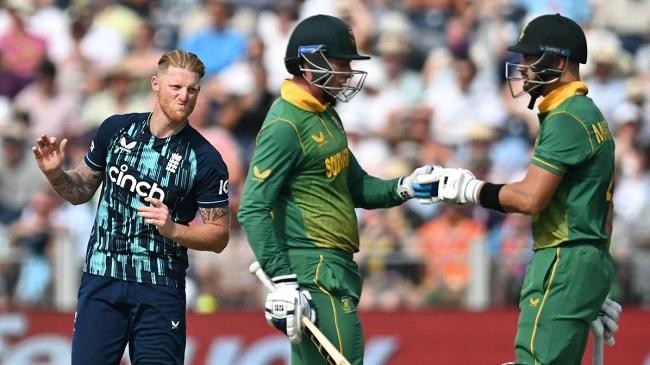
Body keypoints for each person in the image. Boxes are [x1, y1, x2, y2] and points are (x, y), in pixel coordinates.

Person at [237, 14, 438, 365]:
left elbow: (356, 186)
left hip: (335, 268)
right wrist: (283, 279)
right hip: (311, 272)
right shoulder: (285, 124)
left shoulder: (325, 114)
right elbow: (253, 207)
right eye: (341, 63)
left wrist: (406, 186)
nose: (348, 72)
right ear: (310, 62)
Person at [422, 14, 620, 364]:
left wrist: (470, 189)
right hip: (583, 259)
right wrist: (591, 280)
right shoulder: (586, 112)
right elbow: (606, 213)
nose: (523, 69)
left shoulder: (566, 117)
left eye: (531, 59)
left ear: (559, 62)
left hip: (562, 258)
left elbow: (530, 199)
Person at [31, 49, 230, 365]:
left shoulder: (205, 160)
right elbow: (80, 189)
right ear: (155, 84)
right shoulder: (116, 129)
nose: (184, 97)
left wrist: (174, 229)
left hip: (160, 285)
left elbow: (220, 236)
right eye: (176, 87)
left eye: (192, 90)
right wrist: (56, 173)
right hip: (103, 275)